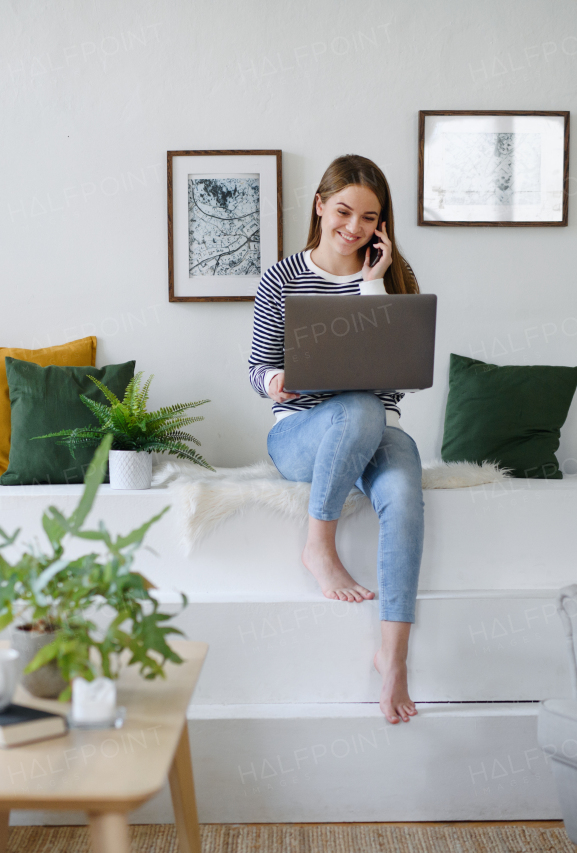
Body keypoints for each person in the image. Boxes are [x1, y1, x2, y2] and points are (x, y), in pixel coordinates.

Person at [247, 154, 423, 724]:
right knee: (358, 406)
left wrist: (373, 288)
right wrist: (276, 380)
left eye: (369, 218)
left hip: (377, 428)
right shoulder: (281, 278)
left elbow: (397, 381)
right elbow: (257, 370)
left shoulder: (391, 282)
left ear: (382, 226)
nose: (354, 227)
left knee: (403, 494)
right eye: (343, 211)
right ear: (320, 206)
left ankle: (392, 657)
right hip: (301, 434)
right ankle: (318, 545)